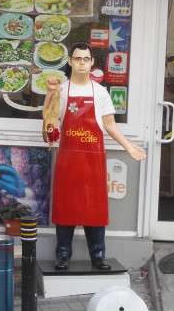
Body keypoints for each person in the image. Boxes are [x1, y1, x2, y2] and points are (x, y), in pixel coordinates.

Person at [43, 43, 145, 271]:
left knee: (95, 209)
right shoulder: (61, 91)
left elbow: (110, 125)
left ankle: (98, 256)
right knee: (65, 208)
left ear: (91, 63)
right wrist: (49, 95)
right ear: (70, 62)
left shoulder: (100, 93)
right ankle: (62, 255)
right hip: (68, 160)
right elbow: (50, 121)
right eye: (77, 59)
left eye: (85, 59)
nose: (81, 63)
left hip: (93, 161)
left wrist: (129, 146)